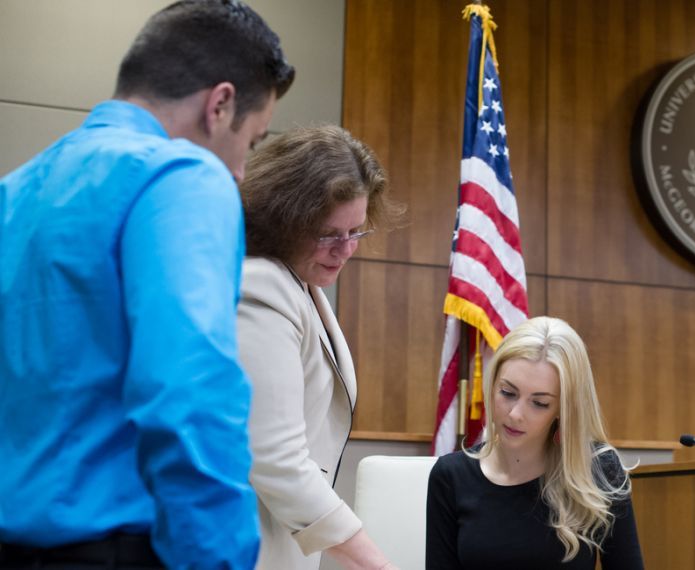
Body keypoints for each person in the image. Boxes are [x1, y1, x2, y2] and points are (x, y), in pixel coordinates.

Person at [0, 1, 294, 568]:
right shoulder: (181, 175)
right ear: (220, 104)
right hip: (113, 550)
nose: (239, 172)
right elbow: (189, 390)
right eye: (252, 143)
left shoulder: (14, 192)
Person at [236, 125, 404, 570]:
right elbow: (276, 459)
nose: (345, 250)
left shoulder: (300, 282)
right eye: (329, 234)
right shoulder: (260, 285)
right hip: (245, 543)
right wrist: (373, 560)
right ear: (283, 219)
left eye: (356, 232)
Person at [426, 316, 645, 569]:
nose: (515, 414)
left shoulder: (599, 469)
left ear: (563, 408)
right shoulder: (450, 477)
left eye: (539, 403)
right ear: (492, 383)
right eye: (508, 392)